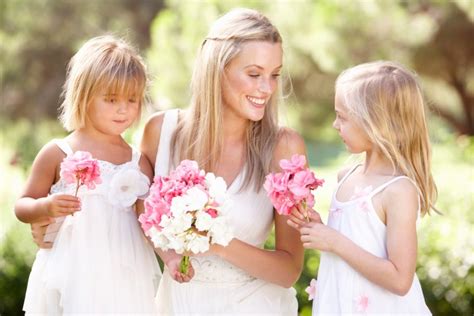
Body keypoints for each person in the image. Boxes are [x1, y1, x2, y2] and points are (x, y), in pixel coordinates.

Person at [140, 8, 305, 315]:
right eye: (254, 74)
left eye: (274, 75)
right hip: (177, 305)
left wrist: (215, 240)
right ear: (217, 69)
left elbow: (289, 271)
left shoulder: (283, 147)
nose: (267, 88)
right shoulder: (160, 132)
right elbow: (134, 207)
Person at [15, 35, 189, 314]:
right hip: (74, 271)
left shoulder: (138, 161)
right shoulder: (59, 152)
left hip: (124, 276)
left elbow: (147, 221)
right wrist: (45, 206)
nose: (123, 109)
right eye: (111, 99)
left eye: (132, 99)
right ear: (84, 96)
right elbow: (22, 206)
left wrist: (169, 257)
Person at [288, 61, 436, 315]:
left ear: (376, 122)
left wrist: (334, 241)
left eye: (343, 117)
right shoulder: (346, 176)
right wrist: (319, 227)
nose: (335, 125)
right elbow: (355, 236)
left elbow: (401, 280)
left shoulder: (398, 190)